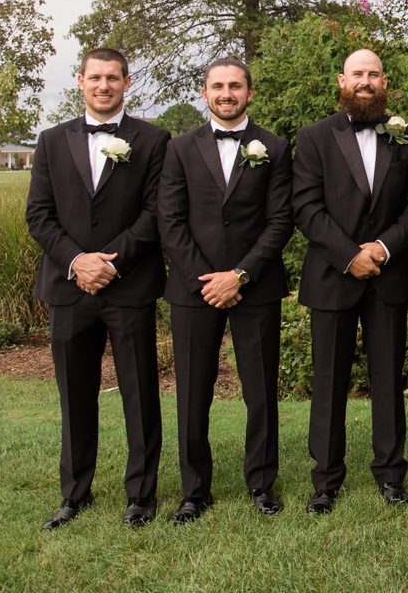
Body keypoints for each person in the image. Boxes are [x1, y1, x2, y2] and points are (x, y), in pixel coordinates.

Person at [26, 47, 171, 529]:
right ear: (80, 81)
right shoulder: (50, 141)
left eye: (113, 78)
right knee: (75, 394)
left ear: (127, 82)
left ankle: (141, 496)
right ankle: (74, 494)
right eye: (95, 78)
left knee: (139, 393)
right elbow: (39, 215)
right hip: (69, 288)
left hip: (128, 285)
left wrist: (110, 263)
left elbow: (156, 213)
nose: (104, 86)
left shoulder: (153, 140)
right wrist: (76, 261)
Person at [157, 57, 293, 523]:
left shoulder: (273, 146)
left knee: (260, 390)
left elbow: (280, 221)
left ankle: (261, 483)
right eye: (218, 86)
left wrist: (240, 275)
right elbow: (170, 221)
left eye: (235, 86)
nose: (226, 93)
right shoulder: (178, 149)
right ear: (204, 93)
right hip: (193, 290)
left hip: (255, 287)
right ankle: (194, 490)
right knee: (193, 391)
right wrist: (209, 280)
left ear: (249, 93)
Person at [293, 49, 408, 512]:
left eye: (373, 74)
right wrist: (349, 255)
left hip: (389, 274)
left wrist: (383, 248)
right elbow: (306, 207)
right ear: (341, 80)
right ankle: (325, 481)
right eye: (357, 74)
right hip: (333, 276)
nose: (364, 81)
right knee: (328, 380)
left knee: (389, 379)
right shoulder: (313, 138)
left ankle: (391, 476)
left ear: (384, 82)